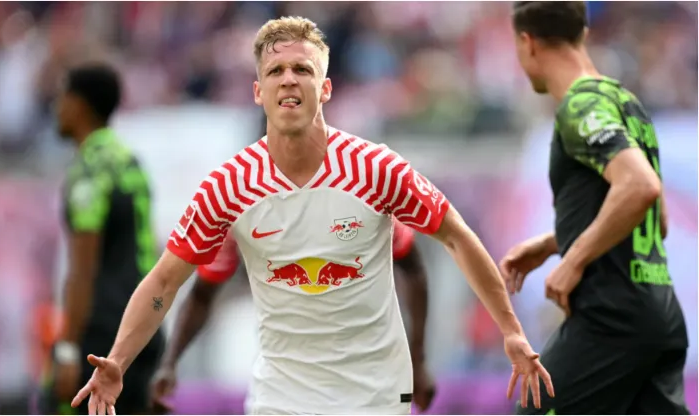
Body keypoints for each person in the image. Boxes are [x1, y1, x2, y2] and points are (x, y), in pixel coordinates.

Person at [71, 17, 553, 415]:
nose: (288, 79)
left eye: (301, 69)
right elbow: (165, 282)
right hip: (282, 396)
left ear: (324, 89)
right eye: (276, 70)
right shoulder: (229, 186)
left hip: (374, 394)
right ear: (258, 92)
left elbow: (456, 238)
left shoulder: (375, 168)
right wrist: (118, 359)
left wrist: (510, 331)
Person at [502, 2, 689, 414]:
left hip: (611, 317)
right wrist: (557, 242)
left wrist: (573, 261)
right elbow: (656, 216)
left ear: (526, 42)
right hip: (658, 313)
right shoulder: (627, 102)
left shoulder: (580, 107)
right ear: (582, 35)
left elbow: (641, 187)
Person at [149, 219, 437, 412]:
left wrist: (418, 359)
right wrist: (169, 362)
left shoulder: (360, 183)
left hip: (365, 380)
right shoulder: (240, 203)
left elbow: (413, 269)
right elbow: (202, 294)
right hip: (283, 386)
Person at [39, 63, 165, 415]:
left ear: (79, 105)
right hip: (144, 325)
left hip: (101, 335)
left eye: (62, 98)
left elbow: (83, 267)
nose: (56, 107)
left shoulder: (89, 171)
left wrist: (67, 350)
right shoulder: (130, 162)